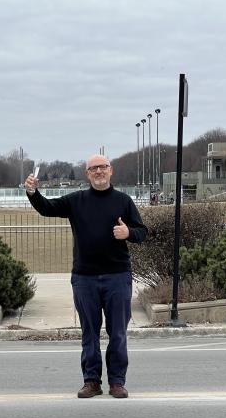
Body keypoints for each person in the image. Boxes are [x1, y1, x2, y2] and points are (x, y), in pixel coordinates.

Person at [25, 155, 147, 399]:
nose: (99, 171)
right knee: (89, 332)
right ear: (87, 174)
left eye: (103, 167)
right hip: (85, 278)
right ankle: (91, 381)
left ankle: (117, 382)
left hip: (117, 276)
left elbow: (142, 232)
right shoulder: (76, 201)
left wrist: (128, 233)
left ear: (110, 171)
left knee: (118, 332)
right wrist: (32, 193)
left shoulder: (123, 201)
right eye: (94, 168)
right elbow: (48, 208)